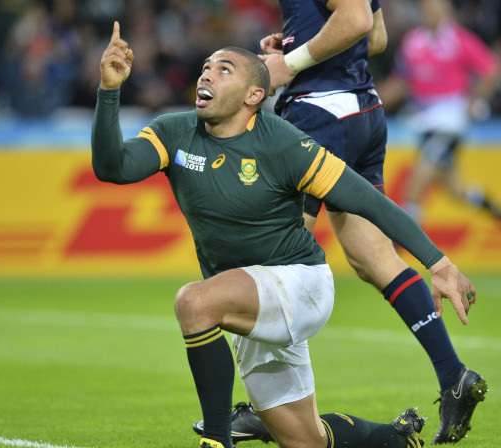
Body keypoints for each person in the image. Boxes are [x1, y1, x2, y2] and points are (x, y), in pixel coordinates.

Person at [94, 22, 478, 448]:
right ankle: (395, 437)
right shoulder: (174, 132)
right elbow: (114, 168)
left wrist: (438, 263)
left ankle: (217, 441)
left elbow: (369, 202)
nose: (206, 74)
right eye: (205, 67)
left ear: (253, 96)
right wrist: (109, 91)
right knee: (304, 440)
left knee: (194, 302)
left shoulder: (283, 143)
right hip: (246, 297)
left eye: (224, 70)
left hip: (300, 283)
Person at [194, 0, 487, 444]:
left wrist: (288, 64)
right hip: (361, 109)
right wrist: (297, 42)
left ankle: (267, 408)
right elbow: (377, 36)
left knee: (276, 258)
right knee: (373, 259)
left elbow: (356, 21)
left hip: (321, 111)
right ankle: (453, 375)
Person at [378, 0, 501, 250]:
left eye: (436, 8)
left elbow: (492, 70)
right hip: (424, 123)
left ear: (447, 12)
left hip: (450, 123)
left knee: (416, 183)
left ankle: (401, 252)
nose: (431, 13)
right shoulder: (412, 42)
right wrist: (373, 100)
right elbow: (401, 81)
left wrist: (475, 100)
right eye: (427, 9)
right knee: (455, 191)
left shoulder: (459, 40)